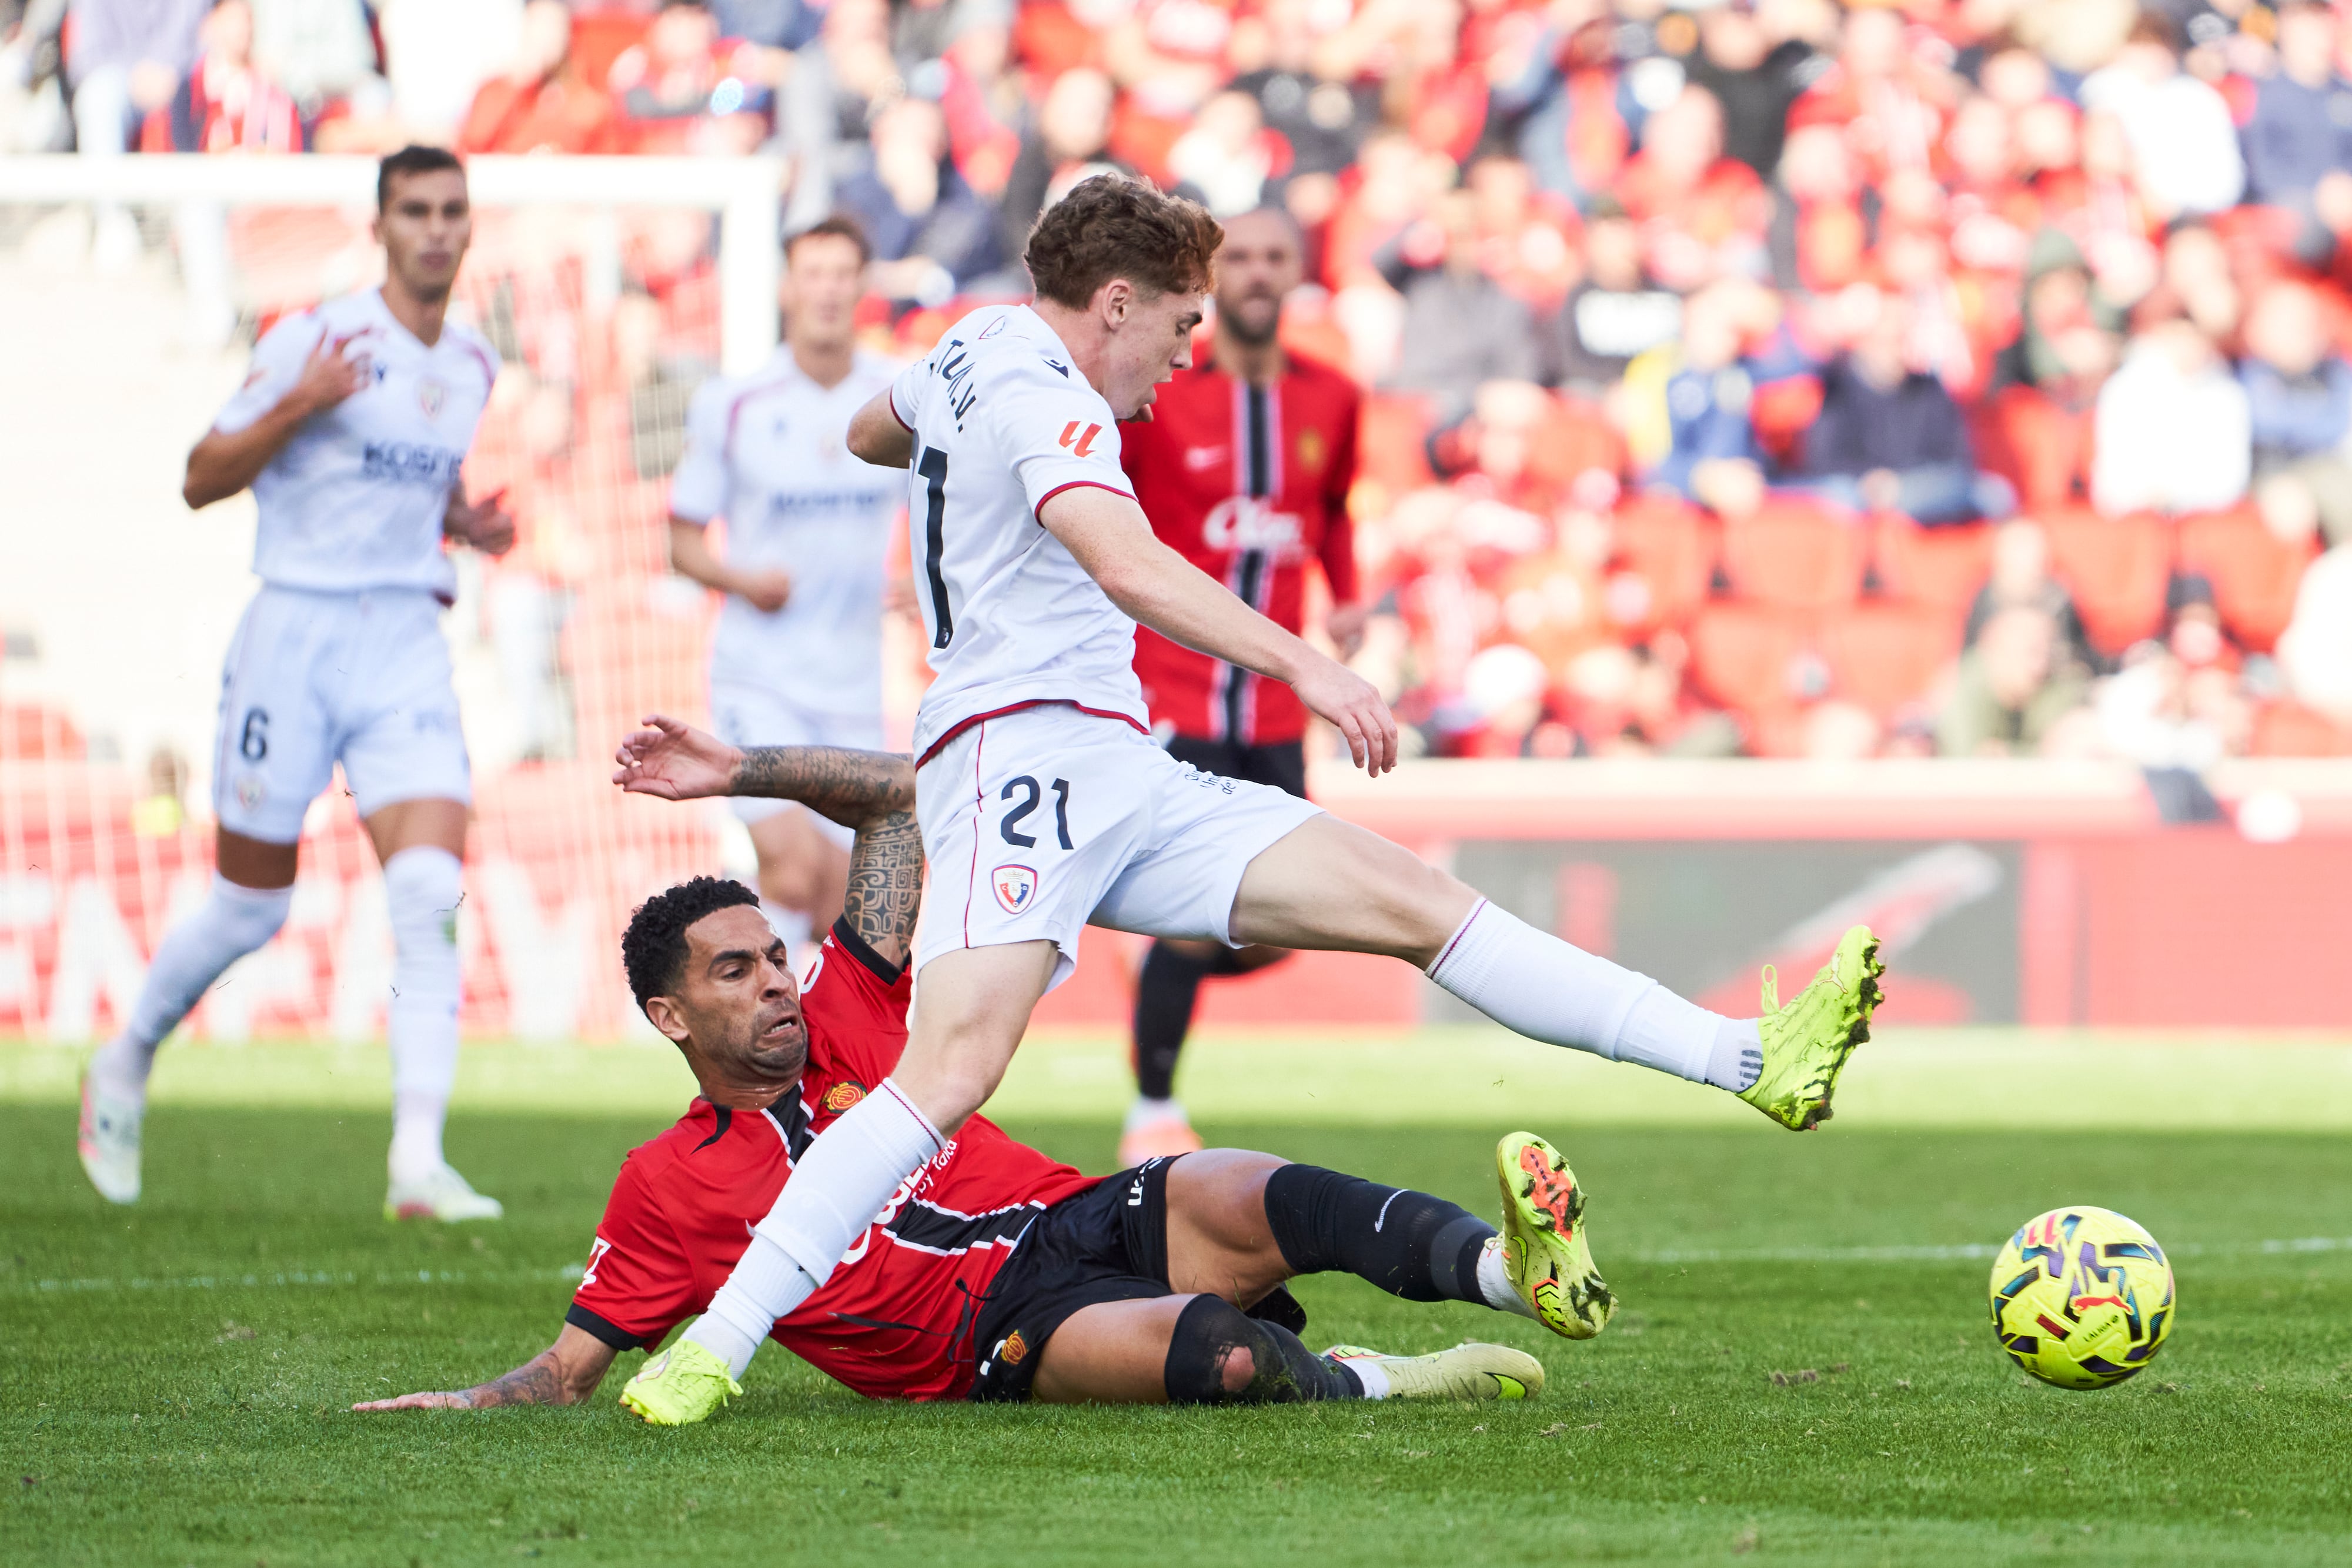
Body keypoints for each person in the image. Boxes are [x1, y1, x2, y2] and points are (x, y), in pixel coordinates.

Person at [618, 175, 1885, 1425]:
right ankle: (709, 1353)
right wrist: (1309, 665)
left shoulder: (971, 345)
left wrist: (952, 459)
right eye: (1177, 325)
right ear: (1113, 303)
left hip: (1117, 761)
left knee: (1416, 902)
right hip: (1017, 757)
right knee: (944, 1070)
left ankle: (1748, 1059)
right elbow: (1124, 562)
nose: (1181, 359)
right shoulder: (1044, 392)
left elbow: (870, 434)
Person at [355, 725, 1597, 1415]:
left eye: (771, 955)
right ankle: (1384, 1381)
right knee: (1214, 1355)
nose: (778, 980)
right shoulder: (664, 1188)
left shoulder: (851, 996)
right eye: (733, 973)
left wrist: (740, 769)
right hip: (989, 1332)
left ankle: (1509, 1270)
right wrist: (460, 1403)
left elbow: (899, 801)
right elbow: (567, 1369)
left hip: (1070, 1212)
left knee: (1242, 1182)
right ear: (670, 1017)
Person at [77, 147, 514, 1222]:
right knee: (251, 904)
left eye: (453, 211)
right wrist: (301, 404)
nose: (436, 229)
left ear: (468, 226)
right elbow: (199, 477)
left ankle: (418, 1160)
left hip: (407, 636)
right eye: (414, 209)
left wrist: (463, 521)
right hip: (296, 632)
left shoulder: (469, 362)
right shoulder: (313, 339)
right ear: (379, 226)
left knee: (426, 895)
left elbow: (412, 469)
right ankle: (125, 1058)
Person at [1112, 206, 1364, 1165]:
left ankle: (1163, 954)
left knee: (1275, 925)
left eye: (1275, 257)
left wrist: (1347, 593)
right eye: (1242, 259)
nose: (1258, 274)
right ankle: (1150, 1110)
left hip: (1272, 704)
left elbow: (1332, 507)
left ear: (1298, 272)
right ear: (1218, 277)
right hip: (1177, 690)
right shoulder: (1165, 391)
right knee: (1195, 904)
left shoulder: (1333, 398)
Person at [666, 216, 901, 963]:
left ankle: (793, 1054)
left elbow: (950, 514)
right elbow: (681, 543)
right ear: (786, 287)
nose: (828, 289)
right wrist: (742, 579)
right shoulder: (737, 401)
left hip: (853, 684)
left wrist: (926, 583)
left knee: (838, 896)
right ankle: (756, 1015)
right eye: (814, 273)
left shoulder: (899, 401)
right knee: (794, 872)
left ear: (863, 287)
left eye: (842, 273)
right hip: (759, 674)